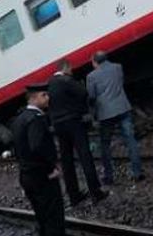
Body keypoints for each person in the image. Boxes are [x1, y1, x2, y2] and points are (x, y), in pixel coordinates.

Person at [48, 59, 108, 206]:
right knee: (84, 155)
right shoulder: (66, 80)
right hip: (73, 122)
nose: (72, 71)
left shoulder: (50, 83)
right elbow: (83, 93)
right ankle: (96, 191)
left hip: (58, 125)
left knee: (66, 160)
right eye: (71, 69)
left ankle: (74, 195)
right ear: (66, 68)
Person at [11, 83, 65, 236]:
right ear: (33, 98)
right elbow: (37, 146)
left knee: (42, 218)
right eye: (44, 95)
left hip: (27, 176)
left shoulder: (19, 119)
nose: (48, 98)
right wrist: (51, 169)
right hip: (42, 177)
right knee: (53, 219)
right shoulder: (35, 119)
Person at [86, 50, 144, 185]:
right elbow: (120, 83)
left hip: (105, 114)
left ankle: (109, 176)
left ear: (95, 62)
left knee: (105, 145)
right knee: (131, 141)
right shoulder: (118, 67)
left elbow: (92, 96)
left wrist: (93, 113)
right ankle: (137, 172)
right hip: (123, 108)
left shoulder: (91, 76)